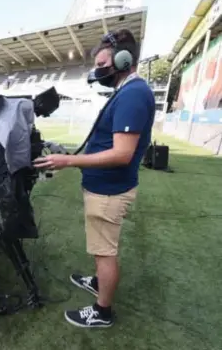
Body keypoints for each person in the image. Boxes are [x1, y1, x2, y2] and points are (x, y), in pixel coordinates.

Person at [33, 29, 156, 328]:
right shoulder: (127, 91)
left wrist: (69, 160)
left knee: (104, 253)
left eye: (103, 64)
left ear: (125, 60)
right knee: (101, 249)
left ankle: (103, 312)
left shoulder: (134, 93)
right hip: (104, 188)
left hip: (109, 192)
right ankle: (99, 282)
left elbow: (122, 153)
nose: (98, 70)